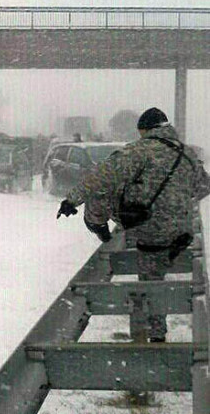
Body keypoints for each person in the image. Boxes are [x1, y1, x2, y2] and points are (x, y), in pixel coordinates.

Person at [57, 108, 210, 343]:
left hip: (149, 229)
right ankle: (157, 332)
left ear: (146, 129)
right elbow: (203, 186)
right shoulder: (187, 152)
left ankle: (97, 225)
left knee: (150, 280)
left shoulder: (139, 151)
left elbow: (102, 176)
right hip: (182, 229)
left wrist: (71, 200)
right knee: (156, 273)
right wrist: (173, 205)